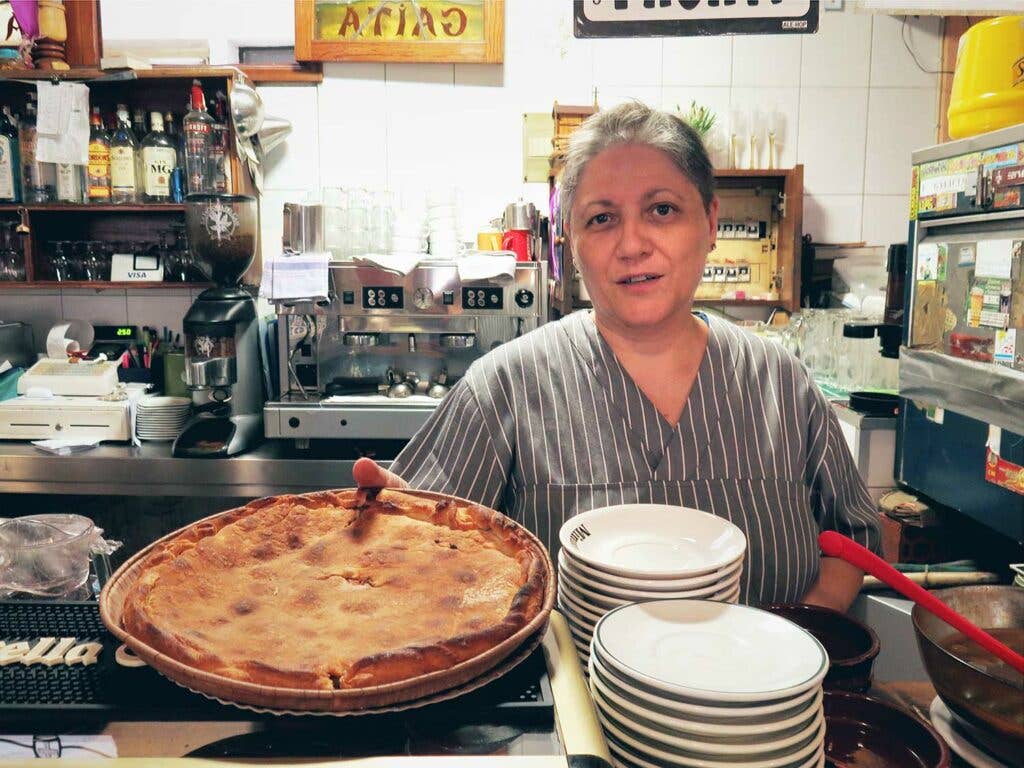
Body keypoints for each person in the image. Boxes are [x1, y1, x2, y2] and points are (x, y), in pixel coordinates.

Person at [354, 101, 879, 612]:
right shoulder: (503, 388)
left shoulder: (780, 383)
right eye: (602, 219)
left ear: (711, 221)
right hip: (575, 701)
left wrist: (806, 636)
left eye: (662, 210)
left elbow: (854, 534)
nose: (632, 244)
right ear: (571, 245)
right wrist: (398, 525)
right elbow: (425, 546)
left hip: (771, 699)